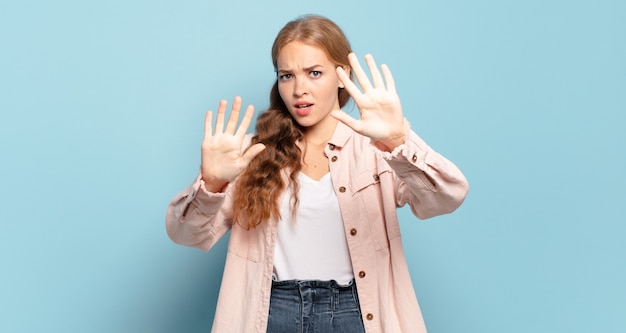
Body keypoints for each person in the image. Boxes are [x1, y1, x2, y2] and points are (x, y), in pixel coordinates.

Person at [166, 14, 469, 333]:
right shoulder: (251, 153)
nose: (299, 89)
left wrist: (397, 141)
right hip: (270, 312)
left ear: (342, 76)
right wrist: (212, 182)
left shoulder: (377, 149)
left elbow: (446, 198)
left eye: (314, 73)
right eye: (286, 76)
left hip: (357, 312)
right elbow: (187, 235)